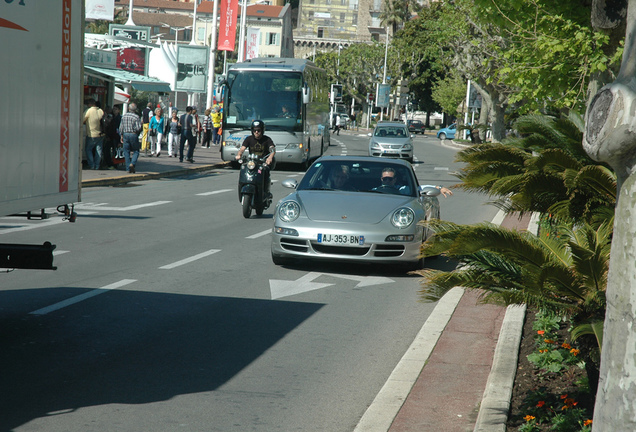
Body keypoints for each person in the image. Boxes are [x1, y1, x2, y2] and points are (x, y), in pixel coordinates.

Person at [235, 119, 275, 197]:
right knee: (243, 168)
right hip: (252, 162)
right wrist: (239, 155)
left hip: (262, 163)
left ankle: (266, 192)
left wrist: (269, 158)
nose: (256, 132)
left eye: (258, 130)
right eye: (254, 130)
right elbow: (242, 149)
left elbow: (272, 149)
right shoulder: (249, 139)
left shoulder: (267, 139)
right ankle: (243, 184)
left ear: (262, 130)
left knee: (266, 170)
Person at [119, 103, 143, 173]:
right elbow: (138, 128)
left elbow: (121, 127)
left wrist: (121, 135)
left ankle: (128, 168)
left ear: (129, 109)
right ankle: (132, 163)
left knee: (126, 151)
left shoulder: (124, 116)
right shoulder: (136, 117)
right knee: (136, 151)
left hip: (125, 134)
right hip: (133, 134)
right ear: (135, 109)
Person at [83, 98, 104, 170]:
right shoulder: (100, 111)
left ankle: (92, 165)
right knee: (99, 150)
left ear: (90, 104)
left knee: (88, 149)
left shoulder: (88, 111)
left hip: (91, 134)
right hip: (101, 134)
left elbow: (82, 120)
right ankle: (97, 165)